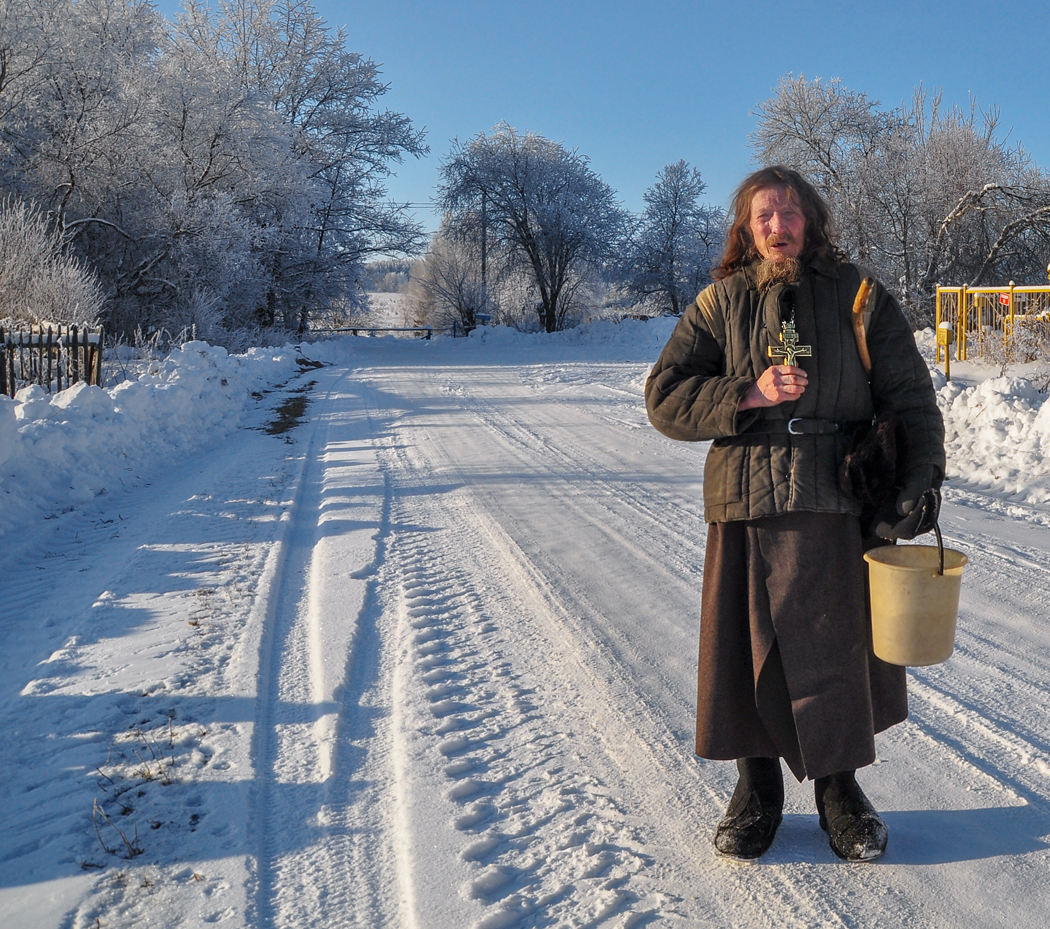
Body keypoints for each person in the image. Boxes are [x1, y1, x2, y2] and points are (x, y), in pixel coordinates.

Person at [644, 166, 945, 862]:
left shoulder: (860, 296)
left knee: (834, 652)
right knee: (746, 652)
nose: (778, 227)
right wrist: (745, 393)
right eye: (763, 217)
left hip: (833, 499)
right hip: (744, 501)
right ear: (746, 230)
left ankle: (840, 791)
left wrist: (919, 480)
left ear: (811, 218)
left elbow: (910, 397)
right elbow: (663, 396)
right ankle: (757, 791)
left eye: (789, 213)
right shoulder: (720, 303)